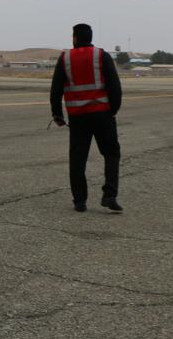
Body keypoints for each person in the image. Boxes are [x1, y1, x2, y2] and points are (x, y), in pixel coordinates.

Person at [51, 23, 123, 213]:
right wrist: (112, 110)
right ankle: (109, 195)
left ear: (74, 38)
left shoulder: (65, 58)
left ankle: (80, 201)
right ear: (90, 37)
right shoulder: (101, 56)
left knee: (78, 159)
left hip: (77, 117)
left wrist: (57, 114)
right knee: (111, 154)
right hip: (102, 114)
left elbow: (56, 88)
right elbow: (115, 87)